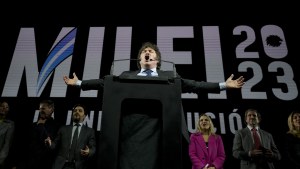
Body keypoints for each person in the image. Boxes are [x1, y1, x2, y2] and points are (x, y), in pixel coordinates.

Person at [63, 42, 245, 169]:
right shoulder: (126, 74)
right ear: (140, 59)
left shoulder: (170, 76)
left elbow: (195, 85)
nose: (147, 53)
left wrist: (223, 85)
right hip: (129, 133)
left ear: (157, 59)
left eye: (151, 51)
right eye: (144, 52)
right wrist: (78, 84)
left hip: (160, 132)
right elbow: (103, 83)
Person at [45, 104, 96, 169]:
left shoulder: (90, 131)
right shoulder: (63, 128)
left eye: (80, 111)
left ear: (84, 116)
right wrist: (49, 143)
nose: (77, 112)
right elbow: (54, 145)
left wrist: (89, 151)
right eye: (75, 111)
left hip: (78, 166)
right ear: (72, 115)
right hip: (61, 165)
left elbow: (93, 148)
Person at [20, 99, 59, 169]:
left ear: (51, 110)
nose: (41, 111)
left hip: (44, 164)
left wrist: (41, 126)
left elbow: (50, 142)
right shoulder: (33, 125)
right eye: (40, 109)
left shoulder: (56, 126)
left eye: (43, 108)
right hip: (28, 163)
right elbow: (25, 145)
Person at [0, 101, 15, 169]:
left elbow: (7, 144)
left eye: (7, 107)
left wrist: (0, 160)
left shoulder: (10, 124)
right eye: (2, 106)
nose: (4, 108)